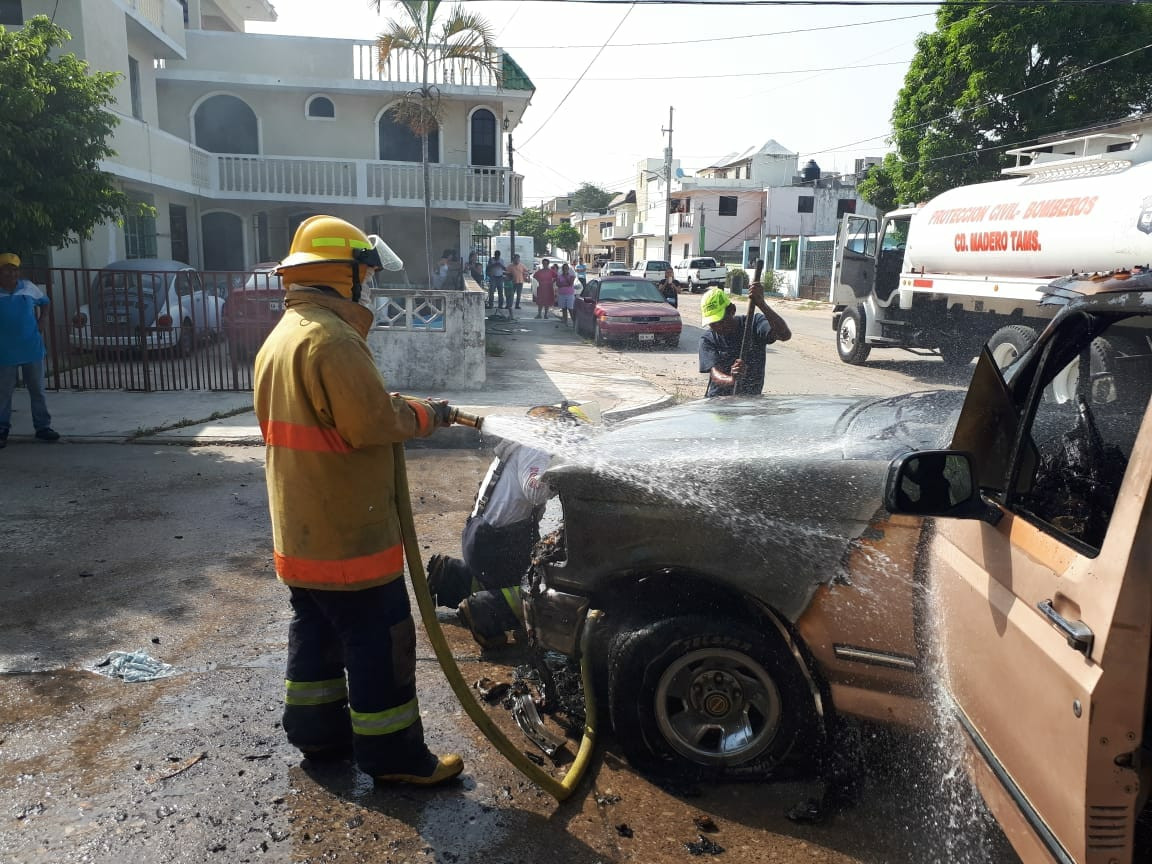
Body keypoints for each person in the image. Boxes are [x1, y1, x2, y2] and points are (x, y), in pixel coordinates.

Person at [253, 215, 464, 787]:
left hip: (300, 533)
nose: (366, 284)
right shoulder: (333, 339)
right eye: (361, 273)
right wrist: (424, 414)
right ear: (340, 274)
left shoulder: (284, 335)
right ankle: (394, 757)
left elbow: (329, 416)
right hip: (349, 535)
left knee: (317, 630)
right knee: (379, 637)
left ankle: (319, 737)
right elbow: (371, 423)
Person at [426, 403, 593, 649]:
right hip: (495, 544)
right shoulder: (536, 449)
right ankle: (483, 611)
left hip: (481, 538)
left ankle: (451, 577)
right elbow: (534, 492)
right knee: (537, 585)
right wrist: (566, 473)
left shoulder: (525, 445)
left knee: (514, 571)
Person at [0, 253, 58, 447]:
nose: (11, 273)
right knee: (3, 393)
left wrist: (43, 320)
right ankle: (1, 430)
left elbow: (45, 302)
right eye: (7, 269)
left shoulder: (28, 287)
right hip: (4, 352)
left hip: (31, 348)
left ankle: (42, 427)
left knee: (37, 390)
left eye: (15, 269)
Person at [698, 282, 792, 397]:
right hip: (719, 403)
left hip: (750, 404)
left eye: (721, 321)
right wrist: (732, 379)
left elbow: (785, 335)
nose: (718, 327)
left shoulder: (754, 324)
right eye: (713, 324)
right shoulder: (708, 339)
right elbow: (714, 374)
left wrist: (762, 304)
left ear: (732, 310)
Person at [555, 262, 578, 327]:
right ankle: (565, 322)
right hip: (562, 294)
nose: (565, 269)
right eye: (564, 268)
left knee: (570, 309)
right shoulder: (560, 276)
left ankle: (574, 323)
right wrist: (564, 284)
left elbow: (570, 283)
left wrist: (565, 277)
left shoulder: (571, 276)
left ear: (568, 269)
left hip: (569, 294)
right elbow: (558, 284)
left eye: (566, 268)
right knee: (564, 309)